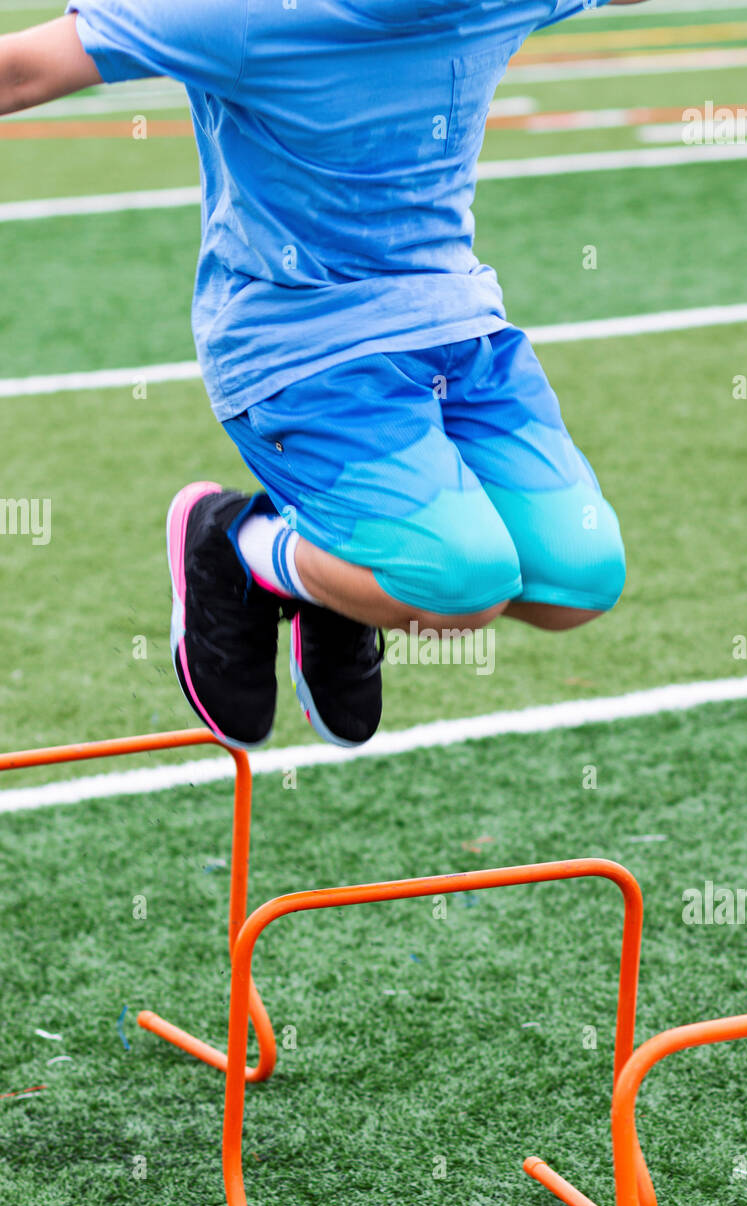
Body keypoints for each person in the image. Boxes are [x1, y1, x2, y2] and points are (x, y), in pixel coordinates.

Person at [0, 0, 645, 750]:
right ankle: (235, 545)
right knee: (460, 586)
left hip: (460, 330)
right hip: (303, 351)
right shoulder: (242, 16)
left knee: (581, 578)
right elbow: (21, 70)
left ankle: (327, 576)